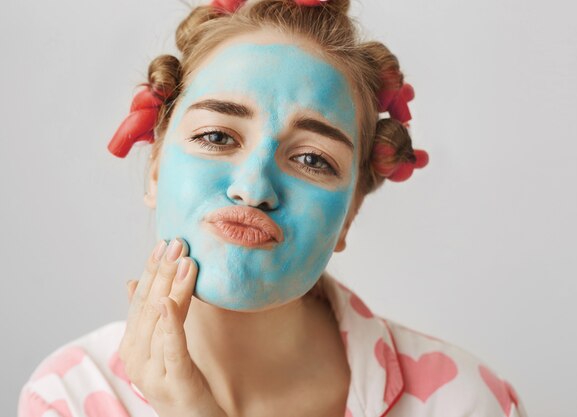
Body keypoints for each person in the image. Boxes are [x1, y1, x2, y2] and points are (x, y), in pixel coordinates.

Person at [18, 0, 527, 416]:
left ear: (350, 213)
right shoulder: (68, 397)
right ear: (154, 168)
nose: (253, 187)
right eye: (217, 136)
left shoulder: (460, 401)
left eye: (312, 159)